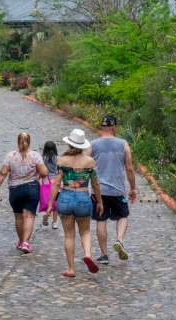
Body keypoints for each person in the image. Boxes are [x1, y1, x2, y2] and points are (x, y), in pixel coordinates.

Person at [46, 128, 104, 277]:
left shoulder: (63, 160)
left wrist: (50, 203)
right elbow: (96, 184)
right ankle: (87, 254)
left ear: (70, 144)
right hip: (84, 197)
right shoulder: (90, 162)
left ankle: (71, 269)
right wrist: (99, 202)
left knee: (69, 236)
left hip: (65, 197)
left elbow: (56, 184)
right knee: (85, 231)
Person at [86, 114, 137, 264]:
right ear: (114, 127)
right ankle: (119, 240)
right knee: (122, 215)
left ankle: (104, 255)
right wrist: (133, 188)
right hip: (117, 190)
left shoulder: (92, 145)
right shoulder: (123, 144)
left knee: (100, 220)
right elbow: (129, 168)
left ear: (102, 128)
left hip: (98, 192)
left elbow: (86, 167)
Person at [0, 132, 48, 253]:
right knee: (28, 216)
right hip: (32, 188)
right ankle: (25, 242)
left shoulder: (11, 155)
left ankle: (20, 241)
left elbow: (3, 173)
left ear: (18, 141)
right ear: (29, 142)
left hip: (14, 189)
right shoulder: (35, 155)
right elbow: (44, 172)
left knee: (18, 217)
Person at [41, 141, 59, 229]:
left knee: (48, 199)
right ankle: (54, 222)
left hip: (46, 181)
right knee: (55, 202)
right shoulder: (57, 158)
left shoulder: (42, 158)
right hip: (55, 181)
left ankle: (47, 213)